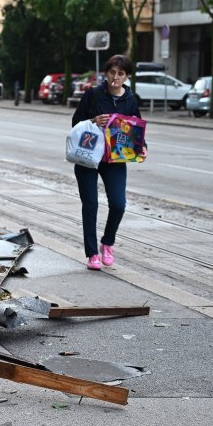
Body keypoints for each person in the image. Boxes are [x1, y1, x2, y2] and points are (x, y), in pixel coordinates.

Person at [71, 54, 142, 271]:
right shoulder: (93, 94)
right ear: (106, 73)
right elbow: (75, 122)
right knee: (90, 204)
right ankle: (92, 253)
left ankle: (107, 243)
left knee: (119, 204)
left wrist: (142, 147)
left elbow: (136, 130)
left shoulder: (130, 99)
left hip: (115, 159)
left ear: (126, 76)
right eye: (112, 72)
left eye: (121, 73)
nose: (115, 77)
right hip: (88, 157)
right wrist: (93, 120)